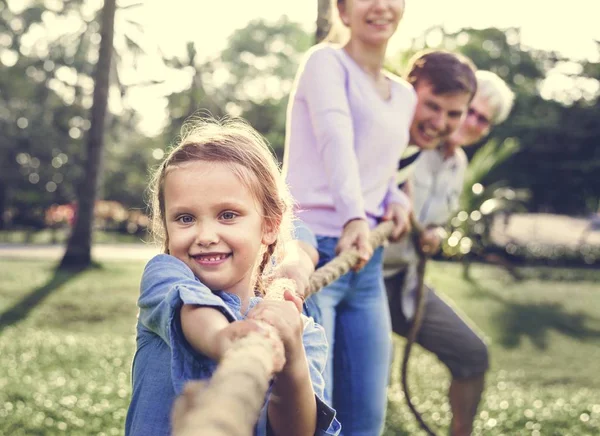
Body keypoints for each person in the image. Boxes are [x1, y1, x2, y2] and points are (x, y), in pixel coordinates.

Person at [125, 118, 340, 436]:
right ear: (166, 228)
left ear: (268, 225)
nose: (206, 235)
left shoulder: (302, 332)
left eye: (227, 215)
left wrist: (291, 356)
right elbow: (191, 309)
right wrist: (220, 338)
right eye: (185, 218)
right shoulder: (163, 276)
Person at [283, 0, 415, 433]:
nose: (380, 6)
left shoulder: (405, 94)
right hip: (314, 251)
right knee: (316, 415)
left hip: (366, 263)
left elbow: (379, 167)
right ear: (342, 10)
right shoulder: (325, 62)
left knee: (366, 417)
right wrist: (355, 217)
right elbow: (335, 141)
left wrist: (395, 198)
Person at [385, 68, 515, 436]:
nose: (470, 122)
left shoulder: (457, 164)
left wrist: (435, 233)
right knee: (370, 372)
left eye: (482, 119)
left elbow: (436, 221)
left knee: (473, 354)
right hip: (365, 277)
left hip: (406, 280)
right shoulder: (409, 141)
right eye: (469, 111)